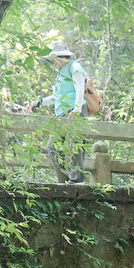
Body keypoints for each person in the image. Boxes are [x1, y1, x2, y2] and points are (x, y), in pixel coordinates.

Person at [25, 42, 88, 184]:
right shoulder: (60, 73)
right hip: (62, 113)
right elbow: (56, 97)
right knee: (52, 147)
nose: (53, 62)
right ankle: (65, 180)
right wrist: (37, 103)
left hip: (74, 111)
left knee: (75, 144)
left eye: (53, 59)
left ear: (58, 57)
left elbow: (80, 87)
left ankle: (77, 180)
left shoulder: (74, 67)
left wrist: (77, 108)